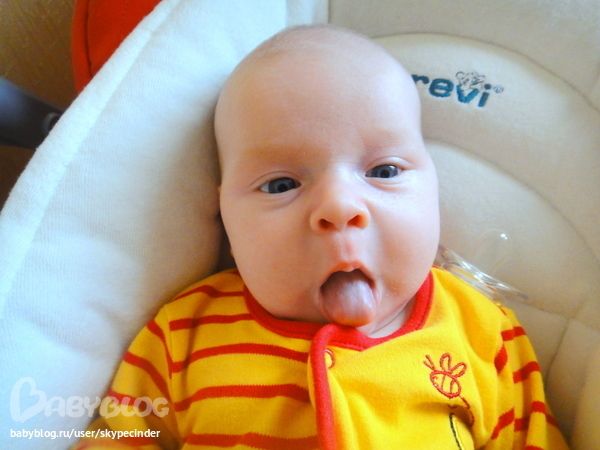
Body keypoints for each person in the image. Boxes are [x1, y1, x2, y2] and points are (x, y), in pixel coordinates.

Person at [73, 25, 568, 449]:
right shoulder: (184, 336)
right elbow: (118, 436)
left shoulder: (481, 331)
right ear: (223, 216)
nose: (339, 207)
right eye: (281, 185)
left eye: (384, 171)